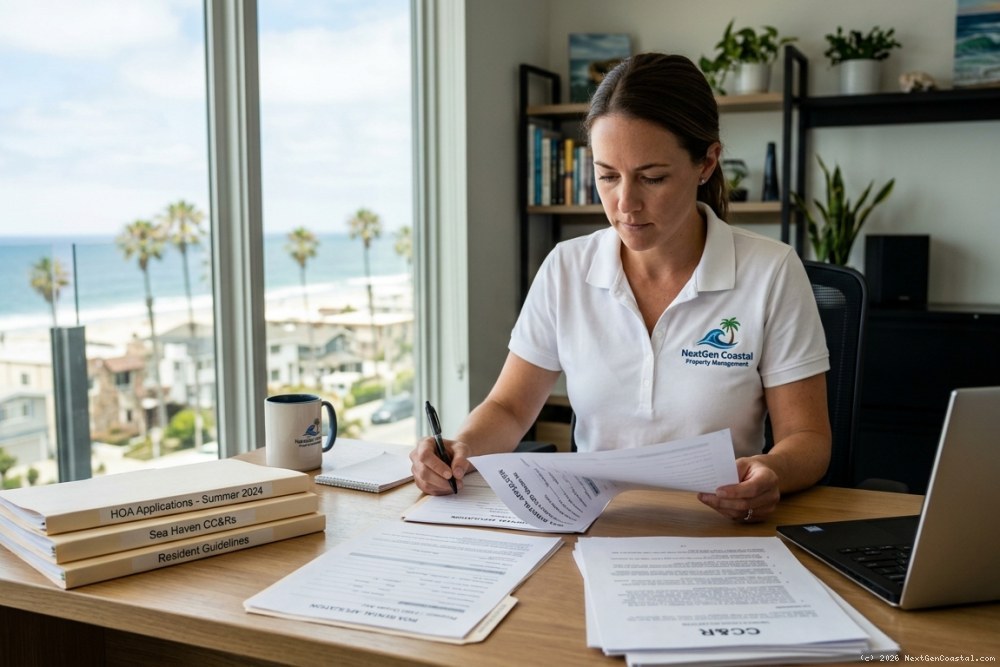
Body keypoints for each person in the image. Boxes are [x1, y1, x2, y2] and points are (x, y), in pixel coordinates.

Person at [411, 53, 831, 523]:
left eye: (652, 177)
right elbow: (509, 409)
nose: (625, 204)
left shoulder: (770, 272)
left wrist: (771, 470)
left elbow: (809, 439)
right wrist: (461, 446)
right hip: (592, 526)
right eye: (607, 176)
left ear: (707, 162)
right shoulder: (567, 268)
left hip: (717, 528)